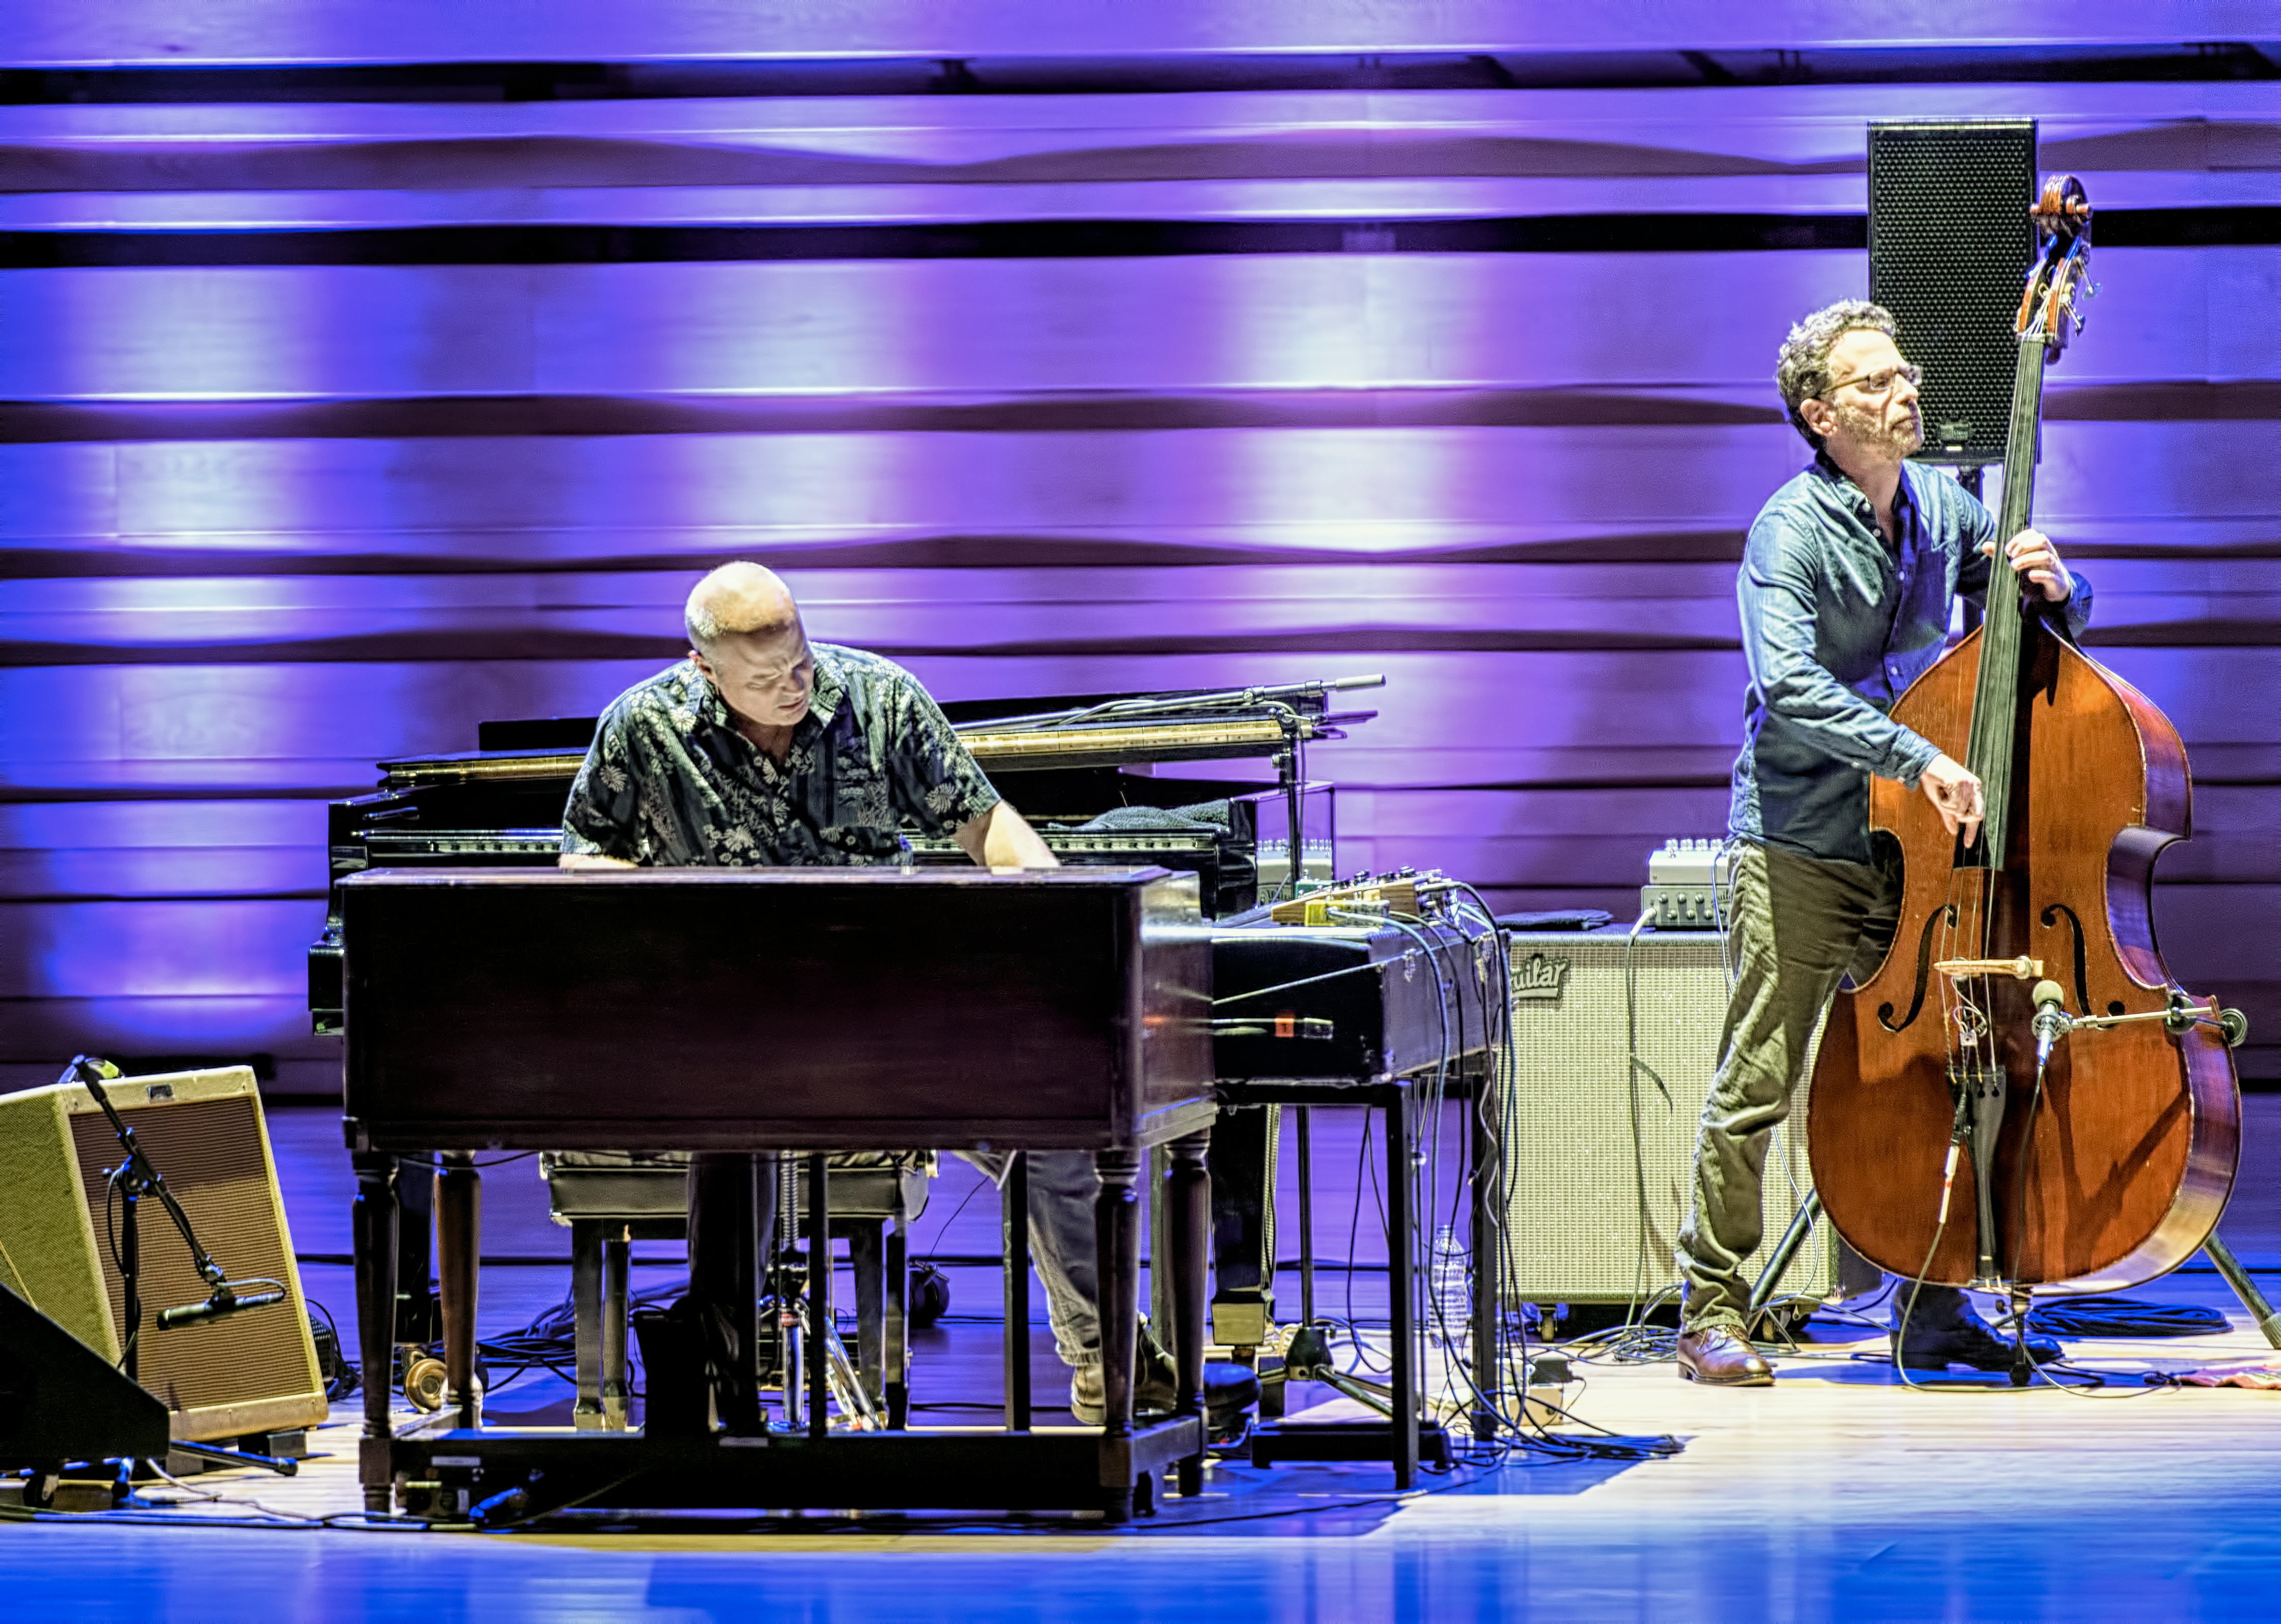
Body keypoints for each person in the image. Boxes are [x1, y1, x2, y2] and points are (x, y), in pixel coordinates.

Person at [559, 561, 1253, 1428]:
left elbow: (981, 819)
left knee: (1061, 1132)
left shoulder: (878, 698)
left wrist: (1048, 903)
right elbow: (583, 861)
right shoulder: (641, 725)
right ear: (705, 669)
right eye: (765, 678)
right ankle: (723, 1376)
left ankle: (1104, 1364)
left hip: (884, 1028)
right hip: (730, 1036)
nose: (793, 688)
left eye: (800, 664)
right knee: (727, 1133)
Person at [1672, 301, 2092, 1386]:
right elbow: (1789, 686)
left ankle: (1933, 1302)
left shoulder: (1944, 506)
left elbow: (2020, 626)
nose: (1907, 392)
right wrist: (1920, 757)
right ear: (1820, 416)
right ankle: (1709, 1308)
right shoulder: (1789, 531)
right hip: (1803, 840)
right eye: (1876, 383)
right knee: (1761, 1077)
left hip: (1912, 847)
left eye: (1906, 374)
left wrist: (2056, 587)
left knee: (1931, 1069)